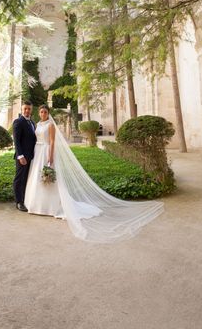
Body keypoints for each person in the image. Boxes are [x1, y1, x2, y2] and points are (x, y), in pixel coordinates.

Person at [23, 105, 164, 244]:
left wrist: (50, 156)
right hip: (38, 152)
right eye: (41, 112)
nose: (42, 114)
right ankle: (35, 205)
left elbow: (52, 141)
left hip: (46, 151)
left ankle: (50, 206)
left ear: (48, 113)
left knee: (50, 179)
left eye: (45, 112)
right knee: (37, 177)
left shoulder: (51, 125)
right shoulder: (37, 124)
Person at [12, 101, 37, 212]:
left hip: (31, 156)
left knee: (26, 178)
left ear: (31, 110)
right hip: (22, 157)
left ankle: (25, 199)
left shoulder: (32, 123)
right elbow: (16, 141)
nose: (27, 111)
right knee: (19, 179)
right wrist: (20, 156)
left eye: (29, 109)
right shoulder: (18, 122)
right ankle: (19, 202)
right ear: (22, 110)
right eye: (25, 109)